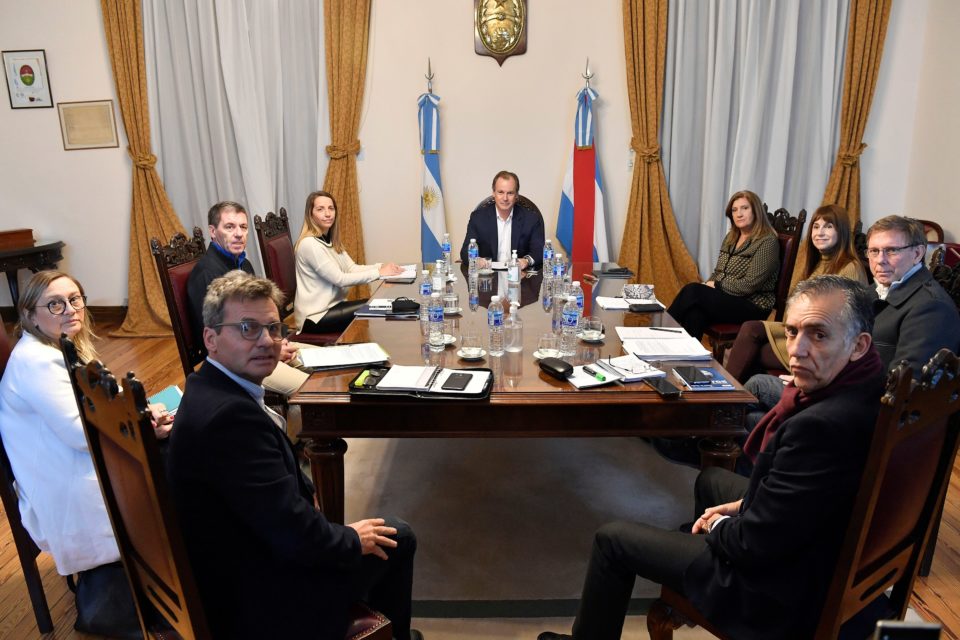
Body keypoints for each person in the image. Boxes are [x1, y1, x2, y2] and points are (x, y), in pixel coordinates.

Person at [538, 275, 886, 640]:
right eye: (792, 331)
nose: (797, 350)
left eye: (819, 335)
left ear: (859, 345)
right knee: (711, 479)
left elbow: (754, 543)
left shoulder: (819, 427)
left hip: (778, 583)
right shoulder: (872, 386)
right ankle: (692, 577)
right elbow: (802, 498)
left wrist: (718, 527)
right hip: (813, 533)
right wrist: (744, 506)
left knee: (612, 539)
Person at [166, 271, 420, 640]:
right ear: (211, 338)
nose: (266, 341)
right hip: (261, 601)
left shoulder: (205, 386)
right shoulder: (229, 420)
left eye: (273, 328)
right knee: (397, 537)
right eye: (248, 328)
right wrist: (350, 538)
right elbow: (295, 535)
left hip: (240, 564)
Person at [0, 270, 172, 638]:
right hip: (66, 484)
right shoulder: (36, 362)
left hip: (72, 462)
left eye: (74, 299)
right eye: (55, 304)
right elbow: (81, 434)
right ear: (30, 315)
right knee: (174, 462)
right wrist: (142, 423)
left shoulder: (56, 347)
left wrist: (142, 415)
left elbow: (96, 405)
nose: (69, 309)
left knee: (173, 449)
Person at [743, 215, 960, 429]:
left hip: (864, 414)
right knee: (752, 408)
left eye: (891, 250)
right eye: (874, 251)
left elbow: (904, 391)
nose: (880, 260)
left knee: (755, 396)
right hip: (840, 390)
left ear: (917, 253)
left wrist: (824, 385)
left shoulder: (931, 308)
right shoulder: (876, 290)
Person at [725, 204, 867, 382]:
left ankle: (728, 393)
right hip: (798, 330)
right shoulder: (817, 262)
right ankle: (731, 391)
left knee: (750, 353)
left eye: (828, 226)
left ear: (842, 231)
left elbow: (839, 323)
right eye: (816, 227)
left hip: (816, 340)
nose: (820, 232)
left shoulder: (850, 267)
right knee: (750, 328)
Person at [187, 200, 305, 395]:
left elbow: (261, 317)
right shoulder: (206, 274)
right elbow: (219, 343)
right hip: (237, 363)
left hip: (262, 345)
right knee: (312, 388)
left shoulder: (244, 264)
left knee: (325, 360)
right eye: (229, 227)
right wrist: (271, 351)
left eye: (243, 227)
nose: (239, 234)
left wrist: (278, 341)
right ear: (213, 231)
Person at [666, 190, 779, 340]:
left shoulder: (767, 242)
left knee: (693, 290)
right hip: (728, 298)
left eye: (745, 208)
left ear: (756, 211)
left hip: (753, 305)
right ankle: (682, 354)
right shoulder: (731, 237)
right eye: (734, 210)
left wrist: (716, 285)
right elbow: (718, 272)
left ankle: (658, 333)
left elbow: (749, 285)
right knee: (695, 313)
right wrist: (707, 286)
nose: (739, 214)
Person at [294, 190, 404, 333]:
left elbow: (351, 268)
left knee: (383, 305)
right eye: (320, 209)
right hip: (314, 317)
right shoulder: (310, 245)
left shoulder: (330, 240)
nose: (327, 214)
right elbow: (340, 279)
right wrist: (379, 273)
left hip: (334, 307)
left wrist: (381, 267)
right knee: (379, 305)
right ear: (310, 215)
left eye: (331, 208)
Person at [458, 170, 545, 270]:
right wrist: (476, 260)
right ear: (493, 193)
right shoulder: (478, 218)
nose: (505, 198)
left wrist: (526, 261)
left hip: (519, 275)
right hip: (488, 275)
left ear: (516, 195)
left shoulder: (531, 219)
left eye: (510, 193)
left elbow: (539, 251)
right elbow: (465, 252)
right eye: (500, 192)